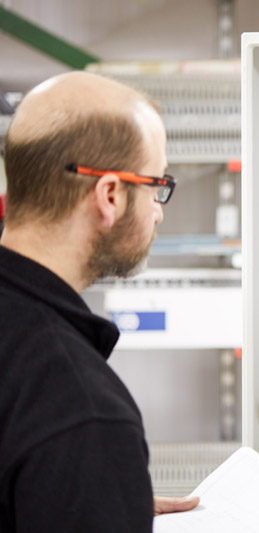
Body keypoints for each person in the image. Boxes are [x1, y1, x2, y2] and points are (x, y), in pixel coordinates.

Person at [0, 72, 198, 531]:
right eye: (156, 183)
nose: (158, 209)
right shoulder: (79, 408)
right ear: (109, 195)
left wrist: (84, 495)